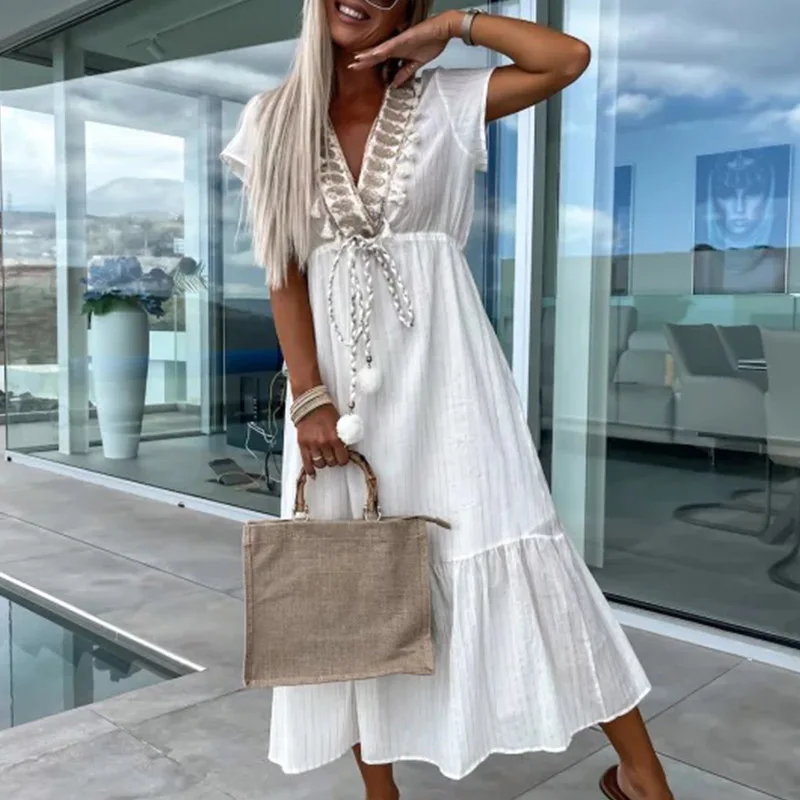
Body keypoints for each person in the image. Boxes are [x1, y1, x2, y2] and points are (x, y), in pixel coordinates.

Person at [221, 2, 675, 799]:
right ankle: (381, 792)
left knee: (522, 549)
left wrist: (456, 25)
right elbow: (282, 272)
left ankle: (643, 777)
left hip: (452, 381)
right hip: (335, 394)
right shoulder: (272, 119)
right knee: (346, 583)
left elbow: (565, 58)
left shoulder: (445, 100)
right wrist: (309, 397)